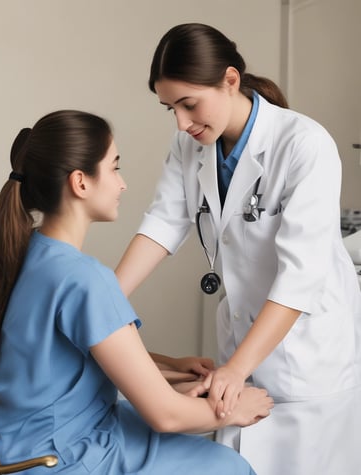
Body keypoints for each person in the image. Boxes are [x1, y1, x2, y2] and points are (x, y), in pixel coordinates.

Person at [114, 23, 361, 475]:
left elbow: (300, 275)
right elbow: (163, 225)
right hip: (241, 346)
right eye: (170, 108)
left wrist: (235, 369)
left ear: (230, 80)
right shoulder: (190, 146)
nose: (181, 123)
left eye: (189, 105)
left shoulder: (304, 144)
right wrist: (104, 302)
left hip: (307, 355)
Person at [0, 110, 274, 475]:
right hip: (63, 456)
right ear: (81, 182)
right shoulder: (84, 278)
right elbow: (166, 416)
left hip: (11, 448)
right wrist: (236, 408)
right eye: (114, 168)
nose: (122, 184)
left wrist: (169, 368)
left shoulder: (19, 254)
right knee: (227, 466)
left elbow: (56, 361)